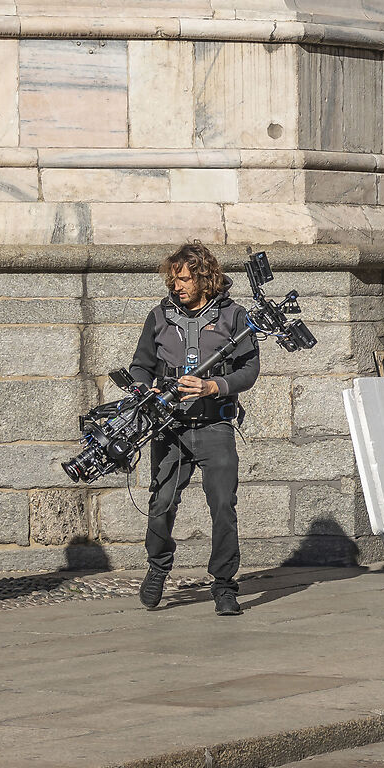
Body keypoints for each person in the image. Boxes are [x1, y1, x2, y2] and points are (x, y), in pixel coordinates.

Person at [128, 243, 262, 617]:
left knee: (222, 506)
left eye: (184, 279)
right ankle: (157, 567)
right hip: (169, 428)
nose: (176, 286)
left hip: (214, 425)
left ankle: (223, 585)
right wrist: (146, 388)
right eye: (173, 280)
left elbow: (249, 370)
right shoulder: (159, 317)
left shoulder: (233, 317)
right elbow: (140, 366)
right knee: (161, 505)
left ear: (205, 277)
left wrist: (212, 387)